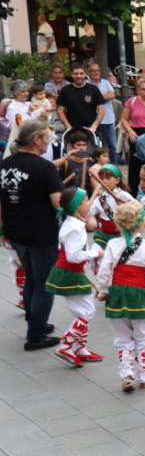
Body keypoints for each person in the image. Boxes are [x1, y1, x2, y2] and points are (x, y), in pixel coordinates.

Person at [0, 121, 64, 349]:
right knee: (44, 284)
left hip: (15, 232)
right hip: (41, 233)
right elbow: (59, 203)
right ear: (36, 140)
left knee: (31, 278)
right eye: (47, 138)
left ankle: (35, 321)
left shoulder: (5, 164)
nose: (49, 143)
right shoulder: (45, 168)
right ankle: (35, 336)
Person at [95, 200, 145, 391]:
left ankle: (127, 374)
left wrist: (103, 291)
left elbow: (104, 272)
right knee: (142, 335)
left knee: (122, 337)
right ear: (140, 224)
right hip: (139, 295)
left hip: (118, 294)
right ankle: (144, 374)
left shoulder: (112, 244)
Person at [47, 186, 105, 367]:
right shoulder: (75, 228)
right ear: (77, 207)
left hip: (70, 271)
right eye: (86, 200)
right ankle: (66, 345)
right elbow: (73, 255)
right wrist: (96, 254)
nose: (89, 203)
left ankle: (80, 348)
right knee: (87, 311)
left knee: (81, 311)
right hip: (69, 273)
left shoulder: (73, 224)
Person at [57, 62, 105, 134]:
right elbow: (60, 111)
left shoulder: (93, 89)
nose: (79, 76)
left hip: (90, 131)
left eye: (81, 73)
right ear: (71, 74)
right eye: (76, 74)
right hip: (72, 132)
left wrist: (94, 126)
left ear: (85, 74)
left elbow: (101, 110)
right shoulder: (65, 90)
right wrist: (68, 126)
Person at [87, 62, 117, 163]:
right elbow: (86, 99)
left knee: (112, 145)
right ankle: (95, 166)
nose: (96, 72)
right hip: (93, 120)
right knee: (94, 145)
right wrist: (104, 96)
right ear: (89, 72)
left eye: (98, 70)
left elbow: (112, 95)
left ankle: (114, 166)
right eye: (93, 70)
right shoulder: (86, 84)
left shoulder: (106, 82)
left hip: (108, 119)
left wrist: (95, 98)